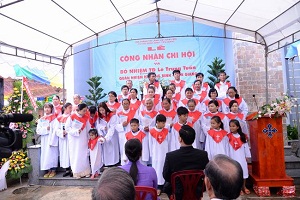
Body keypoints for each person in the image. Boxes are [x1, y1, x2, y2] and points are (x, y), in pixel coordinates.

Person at [163, 125, 209, 200]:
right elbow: (207, 173)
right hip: (196, 191)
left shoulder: (171, 156)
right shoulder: (203, 155)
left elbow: (166, 176)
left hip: (178, 193)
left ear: (180, 139)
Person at [65, 103, 91, 178]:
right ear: (78, 110)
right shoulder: (72, 116)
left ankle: (86, 171)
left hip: (83, 138)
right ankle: (76, 173)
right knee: (75, 155)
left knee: (83, 154)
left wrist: (89, 137)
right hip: (74, 139)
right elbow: (67, 128)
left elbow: (88, 128)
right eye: (83, 111)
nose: (85, 112)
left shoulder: (86, 117)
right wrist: (75, 132)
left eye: (86, 110)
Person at [227, 119, 251, 195]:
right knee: (235, 173)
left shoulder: (242, 136)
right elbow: (226, 147)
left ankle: (244, 187)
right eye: (230, 126)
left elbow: (245, 146)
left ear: (238, 127)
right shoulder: (228, 136)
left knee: (243, 171)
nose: (231, 128)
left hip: (241, 156)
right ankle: (238, 188)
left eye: (233, 126)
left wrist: (247, 155)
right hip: (232, 156)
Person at [149, 114, 171, 196]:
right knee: (156, 169)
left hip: (164, 153)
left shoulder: (166, 131)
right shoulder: (151, 131)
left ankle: (164, 186)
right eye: (162, 123)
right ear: (157, 122)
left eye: (164, 123)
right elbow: (150, 144)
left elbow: (169, 142)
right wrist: (152, 154)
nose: (164, 124)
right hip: (155, 154)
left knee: (164, 169)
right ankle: (157, 186)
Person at [36, 103, 59, 178]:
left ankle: (53, 170)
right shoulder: (41, 119)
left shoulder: (54, 119)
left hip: (51, 138)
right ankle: (48, 170)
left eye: (48, 108)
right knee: (46, 155)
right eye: (45, 107)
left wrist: (52, 137)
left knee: (52, 154)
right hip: (44, 139)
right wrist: (46, 129)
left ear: (51, 109)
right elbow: (38, 130)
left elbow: (56, 129)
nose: (47, 109)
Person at [116, 98, 139, 164]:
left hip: (131, 133)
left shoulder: (134, 112)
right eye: (124, 104)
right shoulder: (119, 114)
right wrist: (122, 125)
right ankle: (124, 164)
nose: (125, 105)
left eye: (127, 104)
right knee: (123, 148)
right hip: (122, 134)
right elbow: (116, 125)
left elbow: (137, 122)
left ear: (129, 104)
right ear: (122, 104)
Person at [96, 102, 119, 166]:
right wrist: (101, 132)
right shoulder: (99, 117)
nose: (101, 112)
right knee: (106, 150)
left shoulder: (112, 116)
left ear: (106, 109)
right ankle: (106, 163)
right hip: (103, 135)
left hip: (112, 136)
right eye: (100, 110)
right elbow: (98, 126)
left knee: (113, 149)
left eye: (103, 110)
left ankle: (114, 163)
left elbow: (112, 128)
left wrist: (106, 138)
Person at [55, 102, 72, 177]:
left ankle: (72, 169)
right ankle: (67, 169)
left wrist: (68, 131)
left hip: (70, 138)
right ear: (65, 108)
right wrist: (62, 132)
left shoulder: (72, 117)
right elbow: (56, 129)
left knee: (71, 153)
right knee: (64, 154)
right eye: (69, 108)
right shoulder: (59, 118)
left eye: (71, 108)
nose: (71, 109)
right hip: (63, 138)